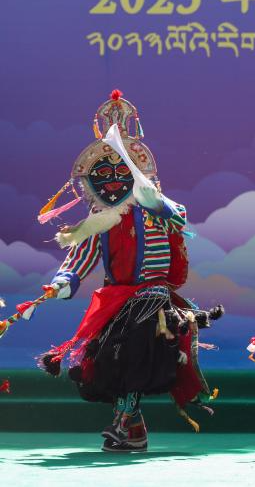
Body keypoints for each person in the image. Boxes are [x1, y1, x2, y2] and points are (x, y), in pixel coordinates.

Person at [38, 90, 221, 452]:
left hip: (151, 300)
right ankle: (132, 427)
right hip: (114, 301)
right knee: (111, 361)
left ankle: (125, 424)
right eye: (104, 174)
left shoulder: (156, 209)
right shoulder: (100, 218)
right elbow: (81, 254)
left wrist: (158, 203)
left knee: (135, 355)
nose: (113, 181)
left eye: (122, 172)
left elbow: (179, 218)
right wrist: (64, 280)